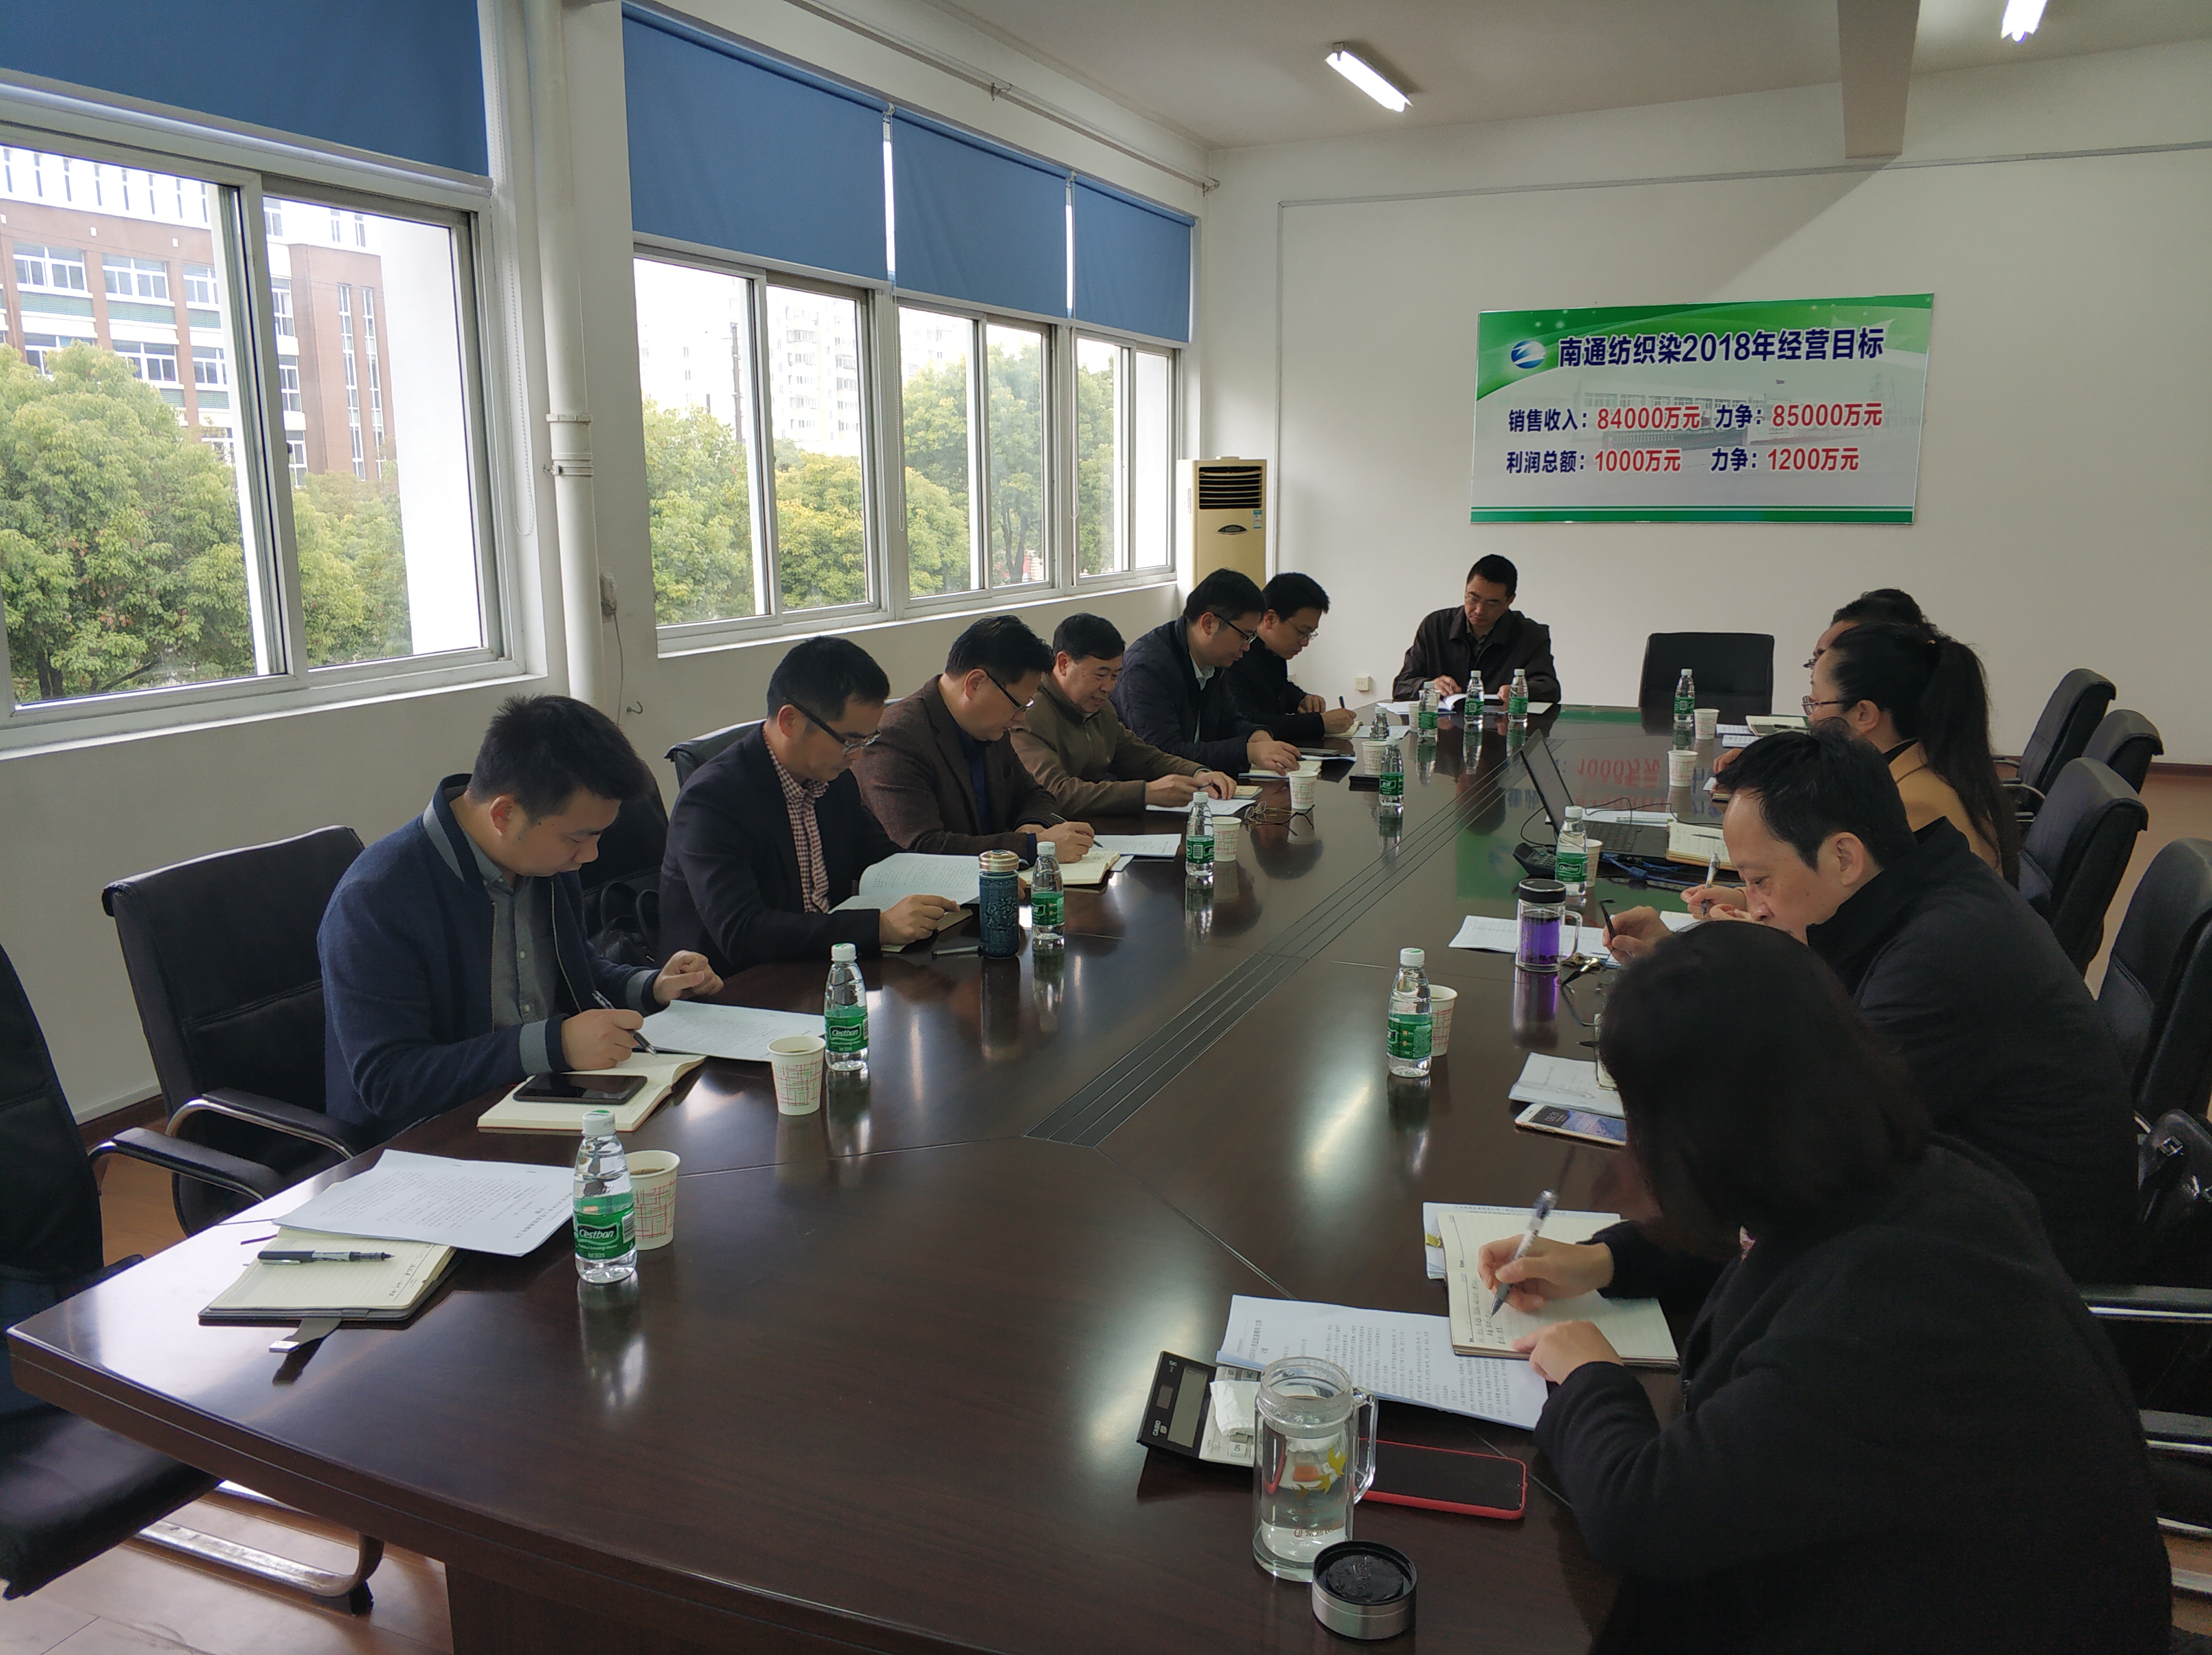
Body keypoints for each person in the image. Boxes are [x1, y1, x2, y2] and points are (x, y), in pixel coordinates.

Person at [1477, 922, 2166, 1655]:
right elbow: (1776, 1234)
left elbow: (1640, 1515)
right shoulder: (1920, 1175)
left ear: (1704, 1136)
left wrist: (1591, 1377)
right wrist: (1609, 1261)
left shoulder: (1882, 1319)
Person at [1606, 727, 2133, 1279]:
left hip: (2015, 1283)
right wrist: (1681, 970)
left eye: (1760, 881)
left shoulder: (1936, 962)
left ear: (1845, 857)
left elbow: (1803, 1163)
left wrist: (1621, 1257)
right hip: (1952, 1234)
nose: (1754, 906)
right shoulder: (1922, 891)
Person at [321, 695, 725, 1142]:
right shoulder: (377, 899)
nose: (589, 856)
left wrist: (651, 987)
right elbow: (390, 1081)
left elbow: (576, 972)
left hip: (546, 1102)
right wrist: (555, 1044)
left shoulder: (543, 863)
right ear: (505, 814)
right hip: (433, 1139)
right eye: (578, 838)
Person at [657, 638, 960, 977]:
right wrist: (879, 927)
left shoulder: (833, 780)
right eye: (850, 741)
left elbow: (881, 859)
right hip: (736, 986)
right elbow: (742, 932)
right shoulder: (712, 801)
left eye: (867, 740)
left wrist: (963, 880)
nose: (858, 755)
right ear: (790, 721)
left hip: (823, 967)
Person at [852, 615, 1094, 861]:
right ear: (975, 683)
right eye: (1018, 705)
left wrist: (1032, 825)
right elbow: (921, 848)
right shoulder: (895, 739)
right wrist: (1032, 847)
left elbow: (1034, 795)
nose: (1021, 718)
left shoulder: (990, 727)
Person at [1808, 621, 2016, 877]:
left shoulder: (1911, 805)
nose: (1811, 719)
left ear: (1864, 715)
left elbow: (1837, 891)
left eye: (1816, 703)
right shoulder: (1921, 770)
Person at [1013, 613, 1237, 817]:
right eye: (1100, 675)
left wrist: (1198, 773)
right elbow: (1057, 793)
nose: (1108, 688)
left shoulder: (1100, 708)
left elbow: (1142, 757)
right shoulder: (1027, 714)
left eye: (1115, 676)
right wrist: (1145, 793)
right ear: (1064, 664)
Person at [1113, 569, 1302, 775]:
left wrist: (1257, 735)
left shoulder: (1213, 660)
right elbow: (1163, 756)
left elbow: (1229, 722)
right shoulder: (1147, 669)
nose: (1247, 647)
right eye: (1244, 636)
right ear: (1209, 623)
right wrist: (1248, 752)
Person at [1391, 553, 1560, 702]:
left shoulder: (1531, 635)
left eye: (1492, 603)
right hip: (1443, 724)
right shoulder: (1435, 626)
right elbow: (1402, 685)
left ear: (1510, 600)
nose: (1479, 610)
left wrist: (1521, 691)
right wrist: (1429, 685)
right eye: (1473, 599)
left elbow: (1550, 688)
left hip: (1503, 724)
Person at [1223, 572, 1360, 745]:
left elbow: (1275, 687)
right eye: (1302, 632)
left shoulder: (1273, 652)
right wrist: (1320, 723)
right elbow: (1249, 722)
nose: (1305, 642)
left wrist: (1300, 699)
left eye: (1310, 634)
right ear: (1271, 619)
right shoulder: (1236, 655)